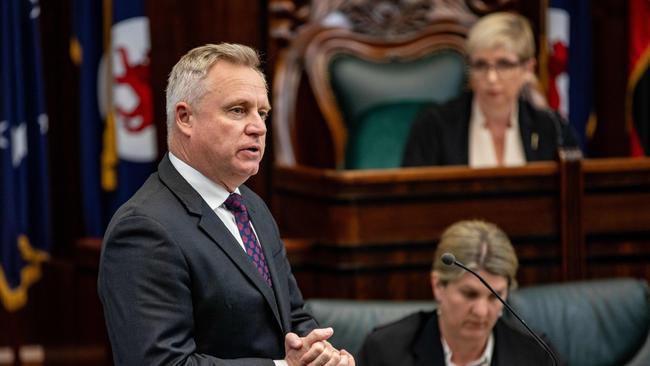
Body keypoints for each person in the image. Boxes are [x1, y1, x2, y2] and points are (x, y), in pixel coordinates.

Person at [98, 43, 355, 366]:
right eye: (238, 110)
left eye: (262, 113)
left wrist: (320, 355)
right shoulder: (144, 228)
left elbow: (292, 316)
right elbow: (160, 363)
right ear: (185, 118)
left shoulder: (251, 205)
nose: (258, 127)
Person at [358, 220, 558, 366]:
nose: (481, 312)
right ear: (438, 286)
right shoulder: (386, 351)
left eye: (494, 296)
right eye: (470, 294)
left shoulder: (535, 353)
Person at [402, 12, 578, 168]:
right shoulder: (434, 126)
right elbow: (412, 200)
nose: (491, 78)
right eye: (480, 65)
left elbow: (575, 193)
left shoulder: (552, 128)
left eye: (504, 64)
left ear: (528, 69)